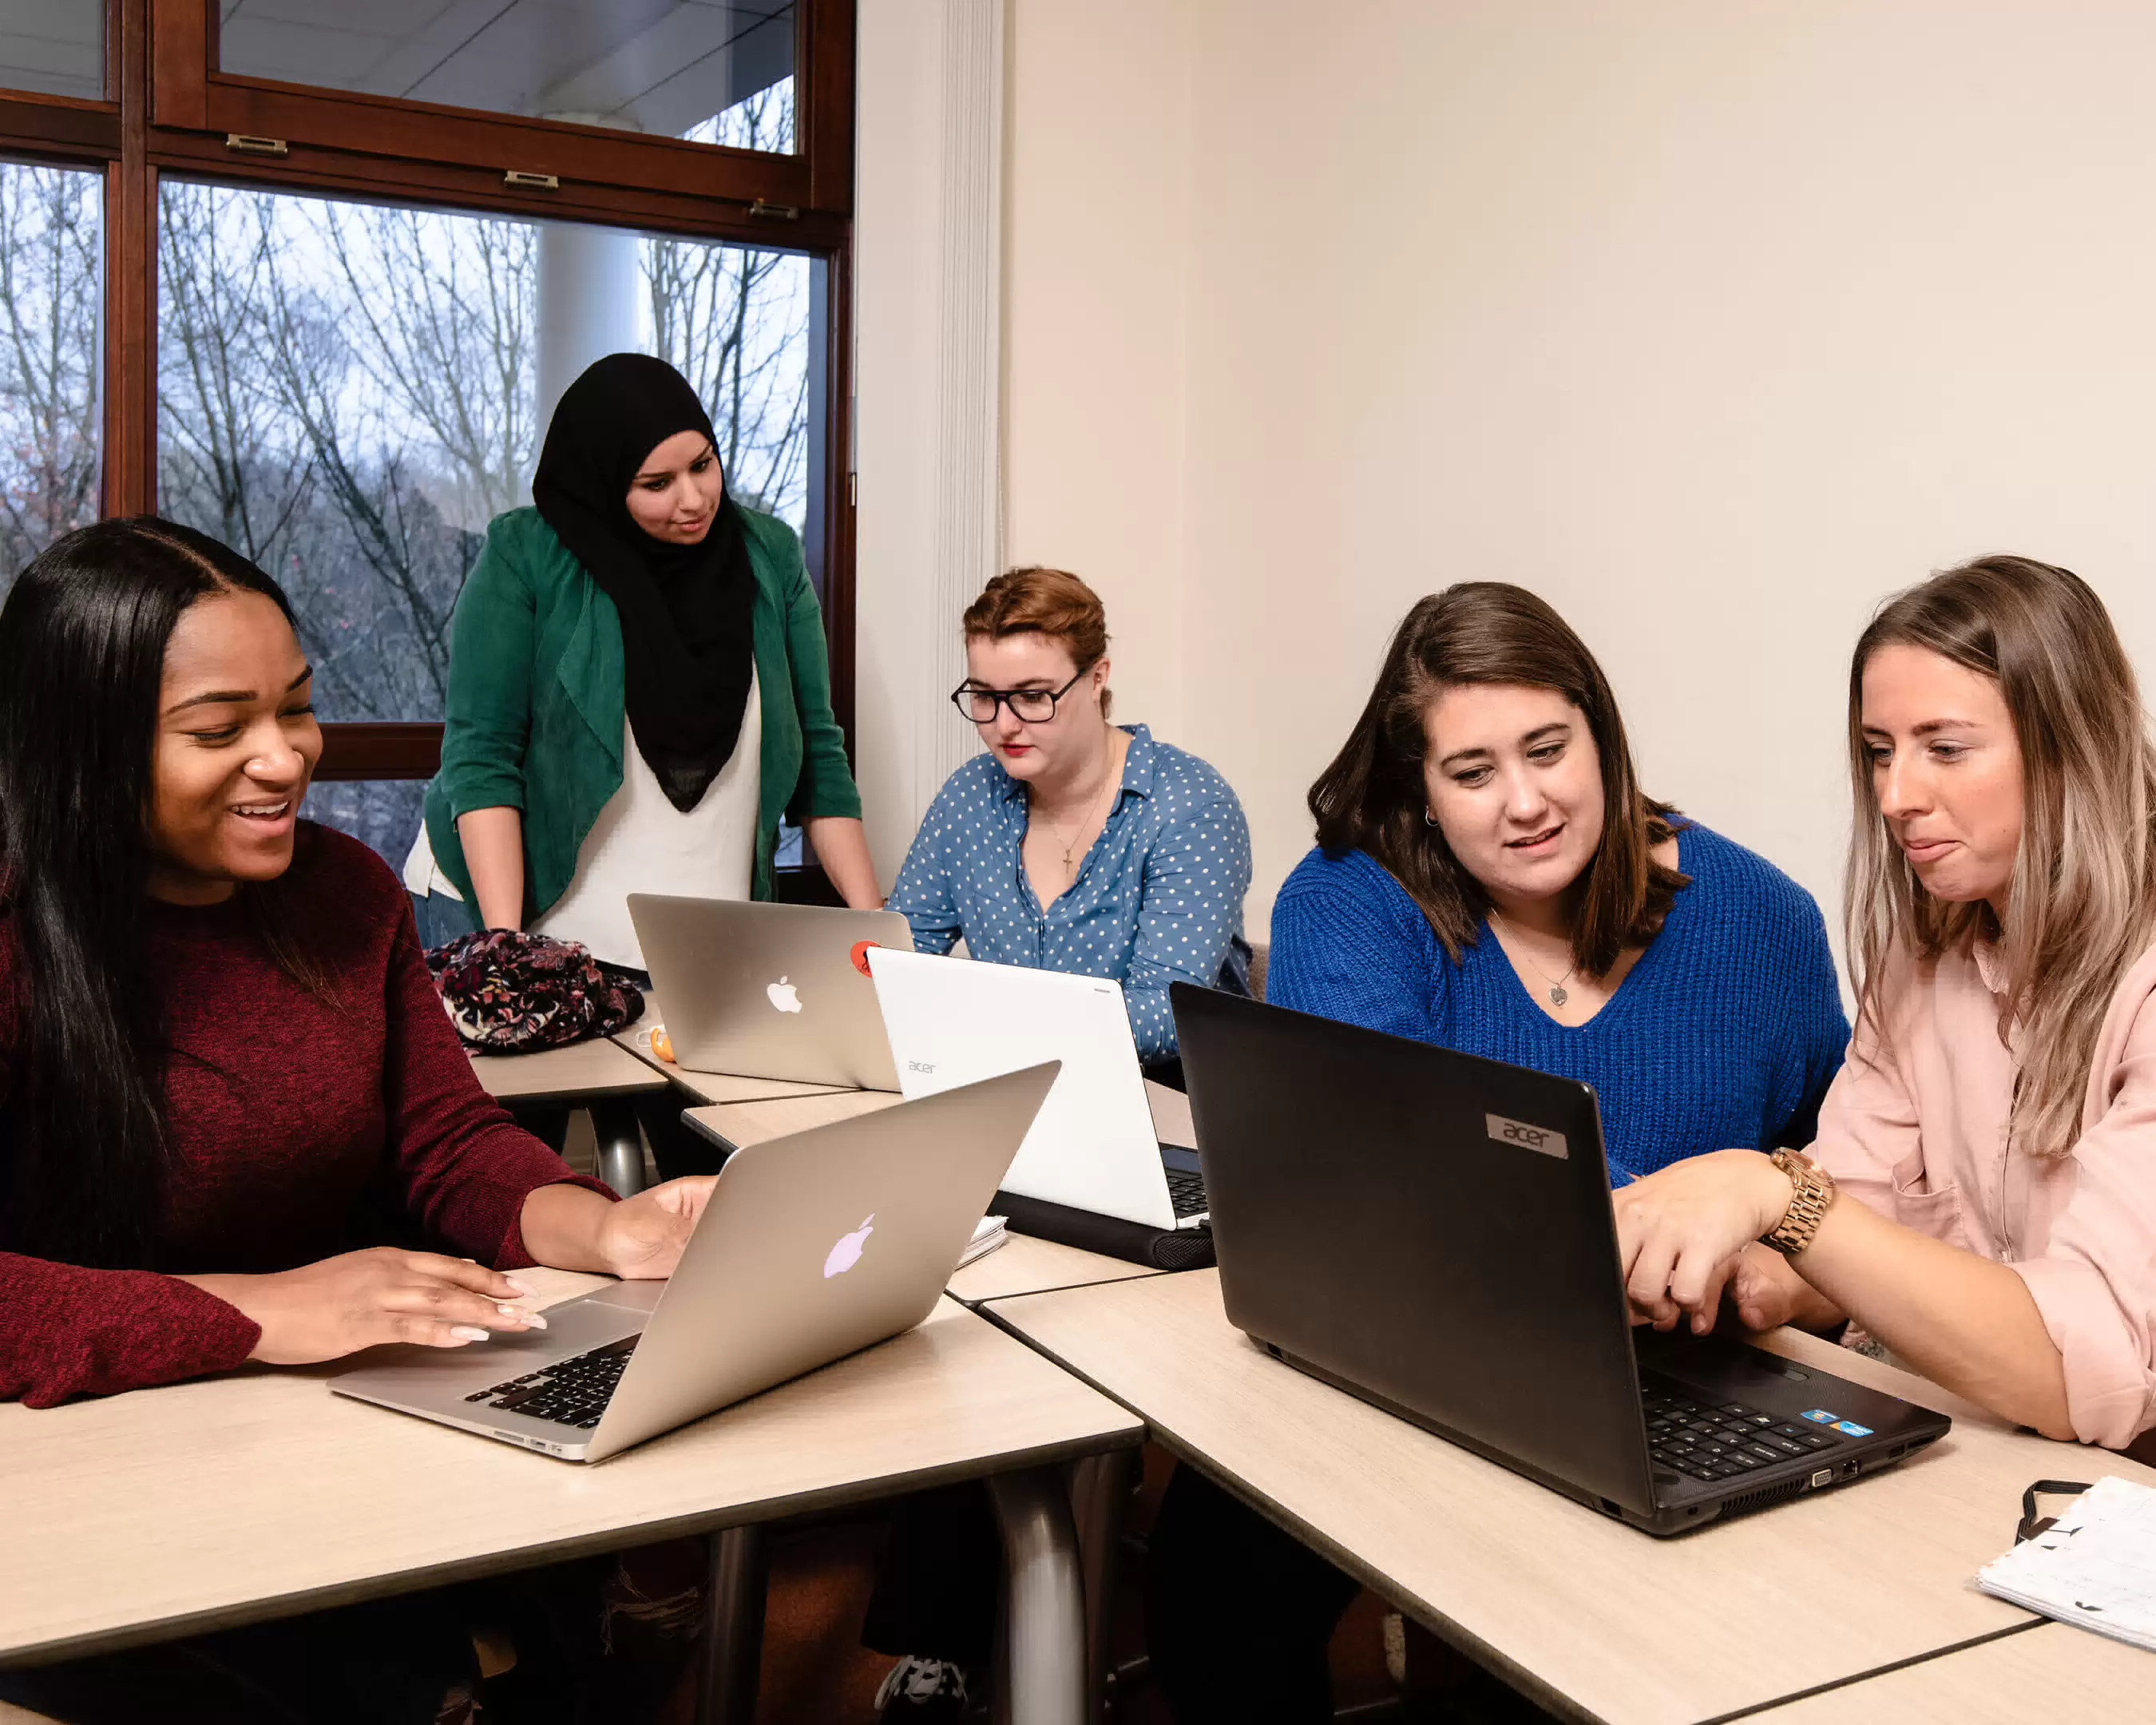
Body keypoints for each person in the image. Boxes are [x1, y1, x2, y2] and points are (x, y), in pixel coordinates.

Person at [0, 518, 716, 1721]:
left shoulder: (348, 892)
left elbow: (443, 1140)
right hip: (90, 1460)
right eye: (219, 731)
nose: (286, 758)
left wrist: (603, 1230)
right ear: (83, 745)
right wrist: (252, 1309)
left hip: (324, 1416)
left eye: (297, 708)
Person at [1145, 581, 1850, 1723]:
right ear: (1420, 793)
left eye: (1548, 749)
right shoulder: (1354, 900)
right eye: (1472, 773)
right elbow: (1390, 1168)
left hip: (1689, 1373)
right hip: (1414, 1351)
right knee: (1212, 1587)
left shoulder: (1762, 921)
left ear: (1603, 739)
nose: (1525, 802)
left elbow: (1848, 1163)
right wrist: (1676, 1226)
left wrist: (1793, 1261)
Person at [1615, 556, 2156, 1461]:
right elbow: (1860, 1220)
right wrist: (1743, 1273)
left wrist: (1773, 1195)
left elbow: (2085, 1376)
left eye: (1945, 749)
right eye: (1880, 751)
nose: (1897, 796)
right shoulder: (1924, 958)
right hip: (1995, 1454)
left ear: (2070, 747)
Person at [403, 351, 876, 1170]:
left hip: (697, 927)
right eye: (655, 484)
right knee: (513, 1176)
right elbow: (483, 760)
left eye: (703, 465)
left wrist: (878, 936)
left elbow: (821, 759)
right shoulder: (528, 555)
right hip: (522, 903)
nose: (693, 499)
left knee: (715, 1172)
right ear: (601, 482)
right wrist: (508, 949)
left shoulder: (766, 555)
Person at [886, 565, 1252, 1085]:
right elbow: (901, 956)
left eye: (1034, 696)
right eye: (985, 697)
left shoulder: (1187, 805)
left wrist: (991, 1028)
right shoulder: (970, 797)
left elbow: (1167, 1012)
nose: (1004, 725)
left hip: (1176, 1111)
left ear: (1098, 677)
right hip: (1014, 1093)